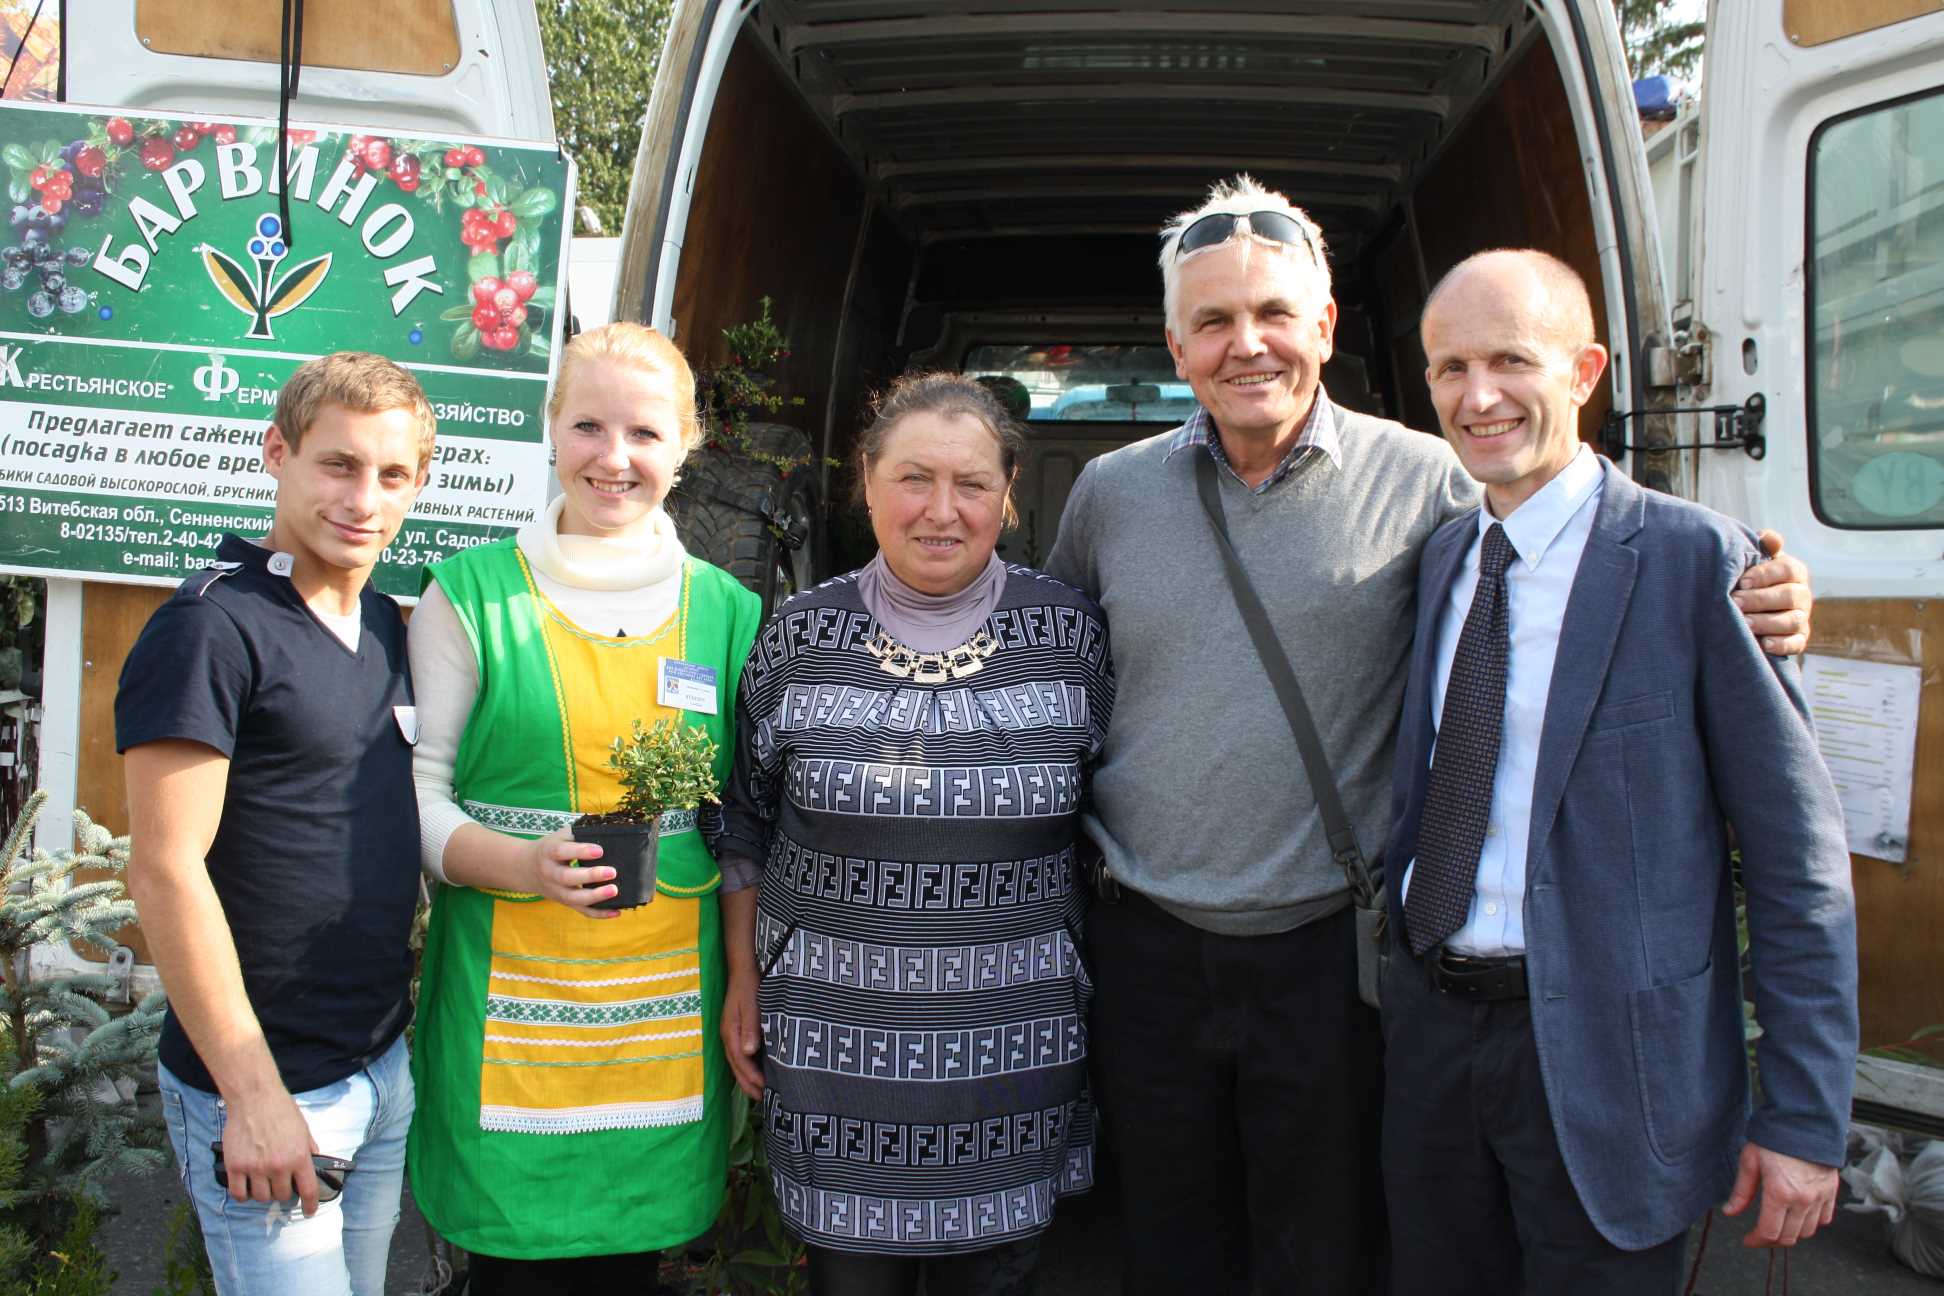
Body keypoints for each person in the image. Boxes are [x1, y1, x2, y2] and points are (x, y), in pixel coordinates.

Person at [1040, 175, 1818, 1294]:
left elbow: (1569, 532)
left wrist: (1761, 586)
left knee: (1329, 1249)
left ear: (1326, 327)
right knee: (1168, 1238)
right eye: (1213, 320)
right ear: (1176, 345)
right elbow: (1049, 665)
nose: (1246, 344)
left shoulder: (1431, 479)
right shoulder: (1109, 495)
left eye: (1274, 313)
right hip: (1147, 943)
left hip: (1334, 951)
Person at [1380, 249, 1857, 1294]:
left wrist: (1804, 1118)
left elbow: (1799, 865)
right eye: (1452, 368)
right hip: (1433, 1046)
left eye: (1512, 360)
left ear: (1585, 370)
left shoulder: (1699, 564)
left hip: (1611, 1069)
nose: (1479, 396)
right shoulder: (1444, 559)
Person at [716, 372, 1114, 1295]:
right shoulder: (798, 635)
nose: (941, 510)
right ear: (866, 481)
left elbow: (1117, 809)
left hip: (1012, 1051)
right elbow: (742, 817)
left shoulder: (1071, 637)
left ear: (1008, 494)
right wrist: (743, 979)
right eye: (913, 478)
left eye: (971, 483)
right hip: (832, 1049)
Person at [405, 323, 762, 1294]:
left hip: (663, 1026)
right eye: (588, 426)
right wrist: (523, 863)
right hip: (508, 1022)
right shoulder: (469, 597)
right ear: (550, 426)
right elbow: (419, 797)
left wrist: (744, 976)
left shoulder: (728, 611)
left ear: (685, 446)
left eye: (645, 433)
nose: (614, 457)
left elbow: (741, 821)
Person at [117, 352, 435, 1296]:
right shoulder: (211, 627)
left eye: (392, 474)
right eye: (338, 464)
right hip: (266, 1090)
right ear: (277, 453)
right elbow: (164, 870)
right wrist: (251, 1094)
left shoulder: (386, 624)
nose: (363, 500)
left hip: (377, 1067)